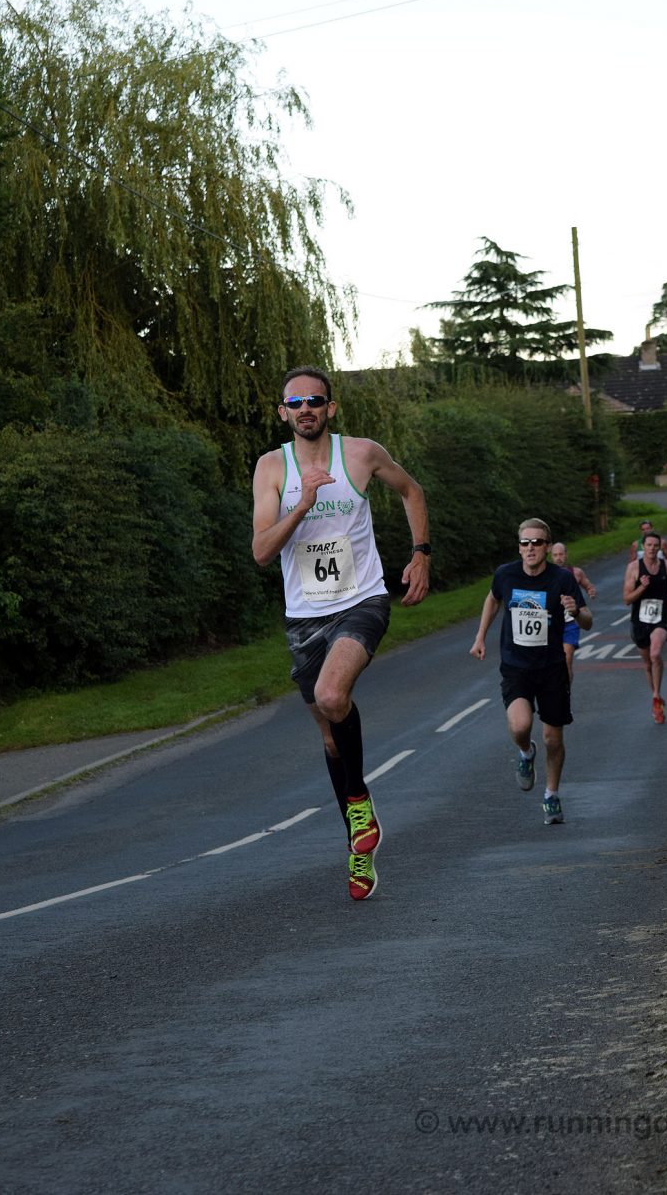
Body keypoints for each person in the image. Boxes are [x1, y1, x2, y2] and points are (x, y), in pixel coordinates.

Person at [252, 366, 430, 901]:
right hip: (304, 616)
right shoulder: (270, 468)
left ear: (331, 408)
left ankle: (357, 805)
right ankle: (359, 842)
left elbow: (411, 490)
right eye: (295, 402)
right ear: (283, 412)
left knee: (333, 696)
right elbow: (262, 551)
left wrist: (421, 554)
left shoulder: (361, 454)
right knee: (329, 732)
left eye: (315, 400)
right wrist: (302, 504)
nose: (306, 408)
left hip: (362, 600)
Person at [469, 519, 591, 826]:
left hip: (552, 668)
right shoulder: (505, 574)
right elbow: (493, 598)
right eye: (525, 543)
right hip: (516, 666)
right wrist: (480, 636)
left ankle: (551, 795)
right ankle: (525, 753)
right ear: (519, 546)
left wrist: (575, 611)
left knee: (553, 739)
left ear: (548, 547)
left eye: (537, 543)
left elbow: (588, 619)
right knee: (521, 726)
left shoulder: (562, 579)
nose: (531, 548)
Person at [623, 531, 667, 724]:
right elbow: (626, 599)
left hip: (660, 618)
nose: (652, 549)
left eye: (656, 546)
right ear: (643, 547)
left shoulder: (666, 565)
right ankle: (656, 696)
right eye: (648, 545)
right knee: (647, 663)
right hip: (639, 621)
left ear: (660, 548)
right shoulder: (633, 568)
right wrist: (642, 587)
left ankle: (656, 697)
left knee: (656, 653)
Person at [550, 542, 596, 682]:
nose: (558, 558)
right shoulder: (546, 574)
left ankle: (566, 692)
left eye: (561, 554)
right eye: (555, 555)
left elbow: (587, 585)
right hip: (552, 623)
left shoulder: (576, 573)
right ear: (551, 556)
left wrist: (591, 591)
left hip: (571, 622)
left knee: (567, 658)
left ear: (566, 555)